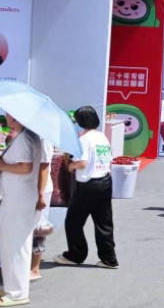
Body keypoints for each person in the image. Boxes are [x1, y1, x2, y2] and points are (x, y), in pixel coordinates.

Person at [0, 114, 42, 307]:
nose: (6, 116)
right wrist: (0, 162)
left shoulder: (26, 138)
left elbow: (25, 167)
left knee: (16, 244)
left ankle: (17, 293)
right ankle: (12, 287)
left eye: (9, 114)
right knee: (11, 243)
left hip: (19, 197)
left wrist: (1, 165)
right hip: (16, 196)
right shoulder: (26, 136)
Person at [55, 106, 118, 269]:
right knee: (104, 222)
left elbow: (82, 163)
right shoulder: (102, 137)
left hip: (88, 185)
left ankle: (76, 254)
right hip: (105, 181)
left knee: (73, 222)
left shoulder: (84, 139)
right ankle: (109, 258)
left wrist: (71, 166)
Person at [30, 140, 54, 281]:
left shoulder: (44, 139)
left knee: (38, 228)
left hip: (41, 189)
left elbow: (44, 165)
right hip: (29, 188)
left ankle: (35, 268)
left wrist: (40, 194)